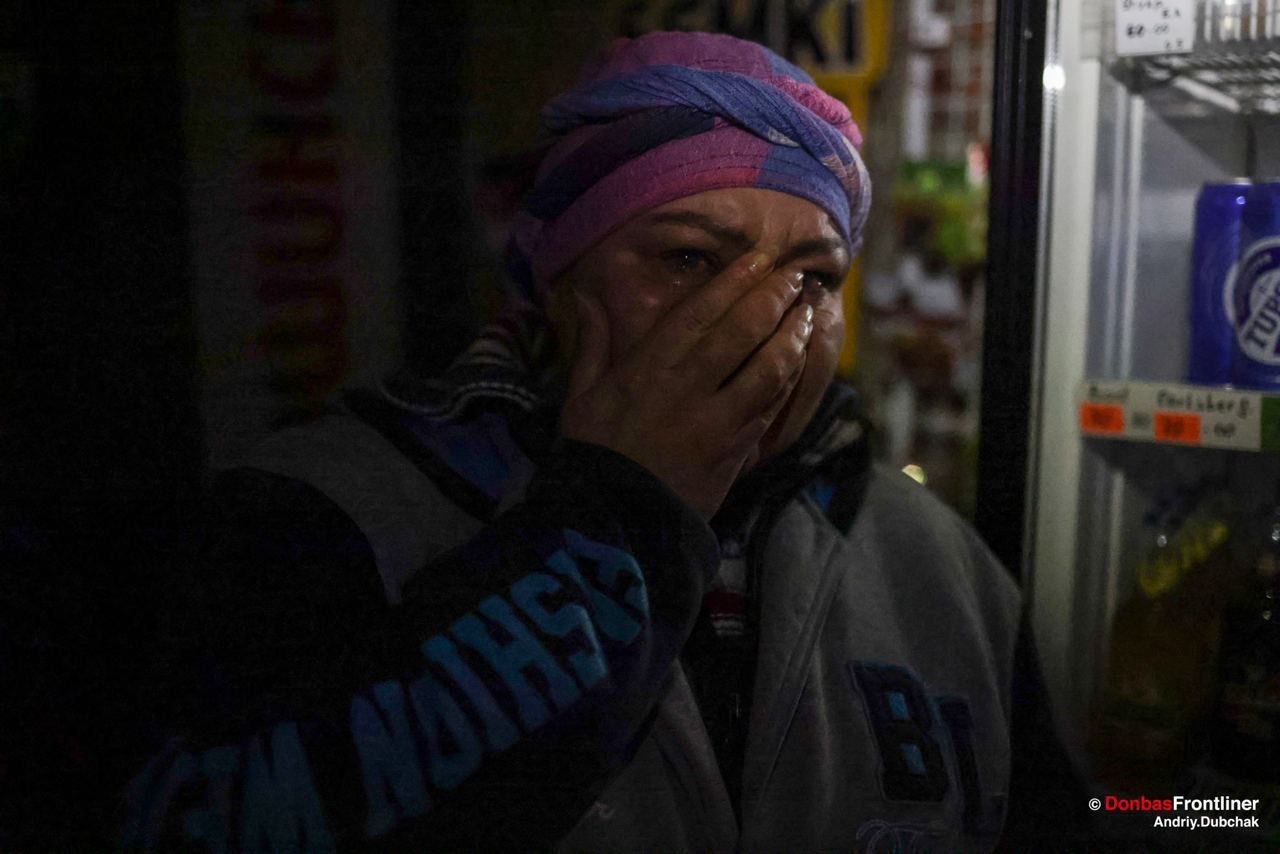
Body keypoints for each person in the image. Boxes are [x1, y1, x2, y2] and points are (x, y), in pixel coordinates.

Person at [115, 31, 1080, 852]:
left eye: (813, 278)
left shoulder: (941, 566)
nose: (762, 323)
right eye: (690, 259)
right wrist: (621, 509)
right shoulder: (321, 513)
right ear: (558, 282)